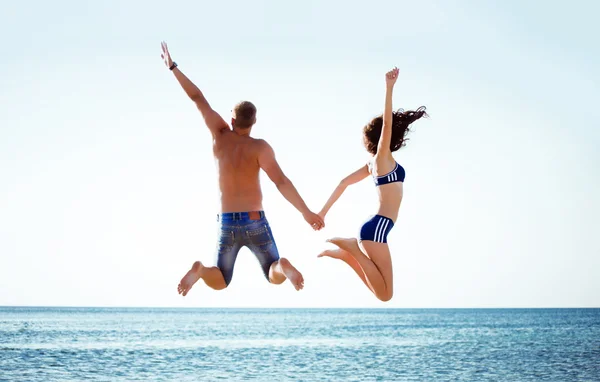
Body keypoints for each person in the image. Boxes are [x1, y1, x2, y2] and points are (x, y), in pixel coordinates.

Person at [159, 42, 325, 296]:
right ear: (254, 122)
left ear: (233, 120)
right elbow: (281, 182)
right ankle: (283, 267)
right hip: (255, 220)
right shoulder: (260, 148)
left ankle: (201, 271)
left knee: (221, 278)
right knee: (272, 272)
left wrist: (173, 67)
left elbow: (197, 98)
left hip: (227, 221)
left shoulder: (220, 134)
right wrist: (306, 212)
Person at [316, 67, 427, 302]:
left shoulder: (372, 165)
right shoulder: (381, 159)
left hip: (377, 229)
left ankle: (348, 256)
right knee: (386, 295)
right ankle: (352, 249)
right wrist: (389, 88)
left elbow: (343, 183)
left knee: (382, 292)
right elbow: (387, 125)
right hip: (377, 229)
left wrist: (322, 213)